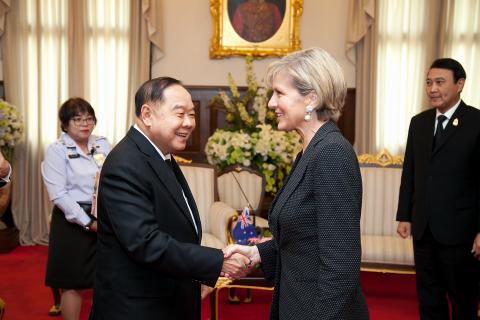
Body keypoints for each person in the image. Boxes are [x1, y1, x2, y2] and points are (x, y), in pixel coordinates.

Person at [224, 47, 369, 319]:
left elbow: (340, 265)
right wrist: (256, 252)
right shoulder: (310, 151)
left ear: (311, 98)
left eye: (279, 93)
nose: (270, 103)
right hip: (297, 301)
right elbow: (302, 240)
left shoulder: (331, 153)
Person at [89, 77, 249, 320]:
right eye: (180, 114)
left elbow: (174, 225)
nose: (189, 123)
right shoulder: (126, 163)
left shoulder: (159, 153)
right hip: (138, 307)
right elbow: (145, 243)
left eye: (192, 114)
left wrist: (196, 274)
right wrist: (216, 262)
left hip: (168, 295)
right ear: (147, 114)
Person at [396, 58, 480, 320]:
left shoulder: (476, 121)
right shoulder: (418, 123)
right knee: (429, 299)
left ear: (460, 84)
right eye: (429, 82)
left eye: (440, 82)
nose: (432, 88)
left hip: (461, 232)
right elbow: (410, 172)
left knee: (463, 301)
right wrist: (404, 215)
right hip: (423, 229)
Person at [42, 98, 111, 320]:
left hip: (103, 215)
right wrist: (88, 222)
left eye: (89, 119)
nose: (85, 124)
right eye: (77, 119)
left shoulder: (102, 144)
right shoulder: (57, 150)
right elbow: (59, 194)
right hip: (71, 220)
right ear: (64, 124)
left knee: (107, 277)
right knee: (72, 283)